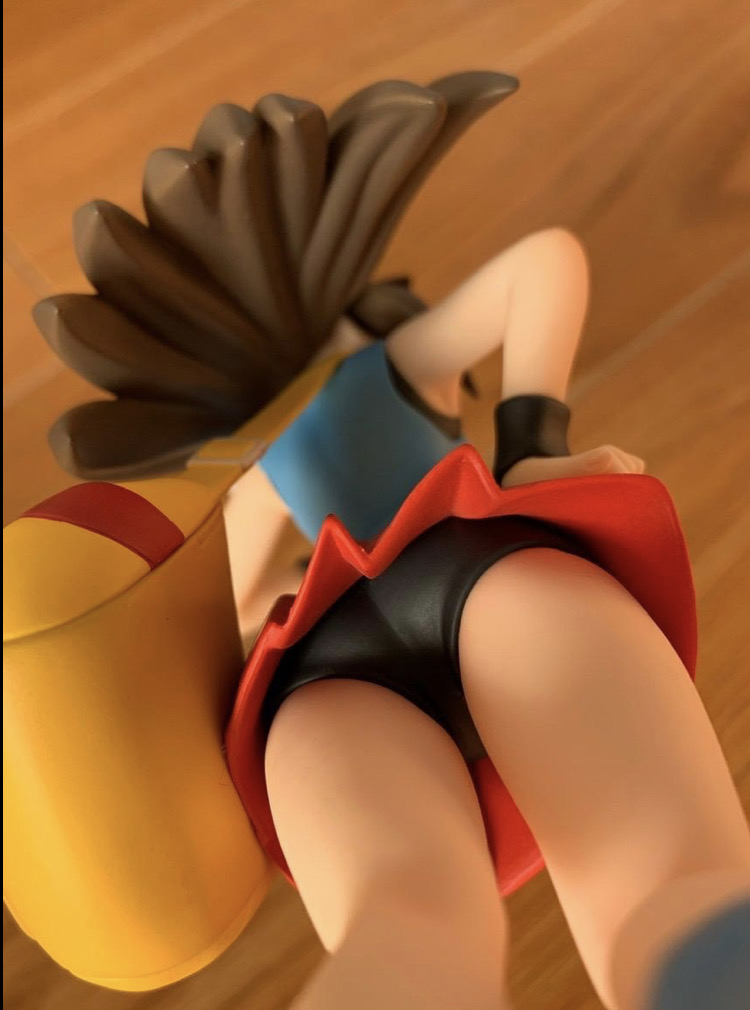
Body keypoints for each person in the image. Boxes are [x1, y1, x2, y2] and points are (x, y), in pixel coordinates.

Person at [20, 73, 750, 1007]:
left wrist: (281, 584)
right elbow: (544, 262)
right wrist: (529, 445)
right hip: (483, 575)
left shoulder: (250, 472)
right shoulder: (379, 366)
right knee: (668, 882)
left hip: (324, 683)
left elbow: (230, 617)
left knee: (403, 924)